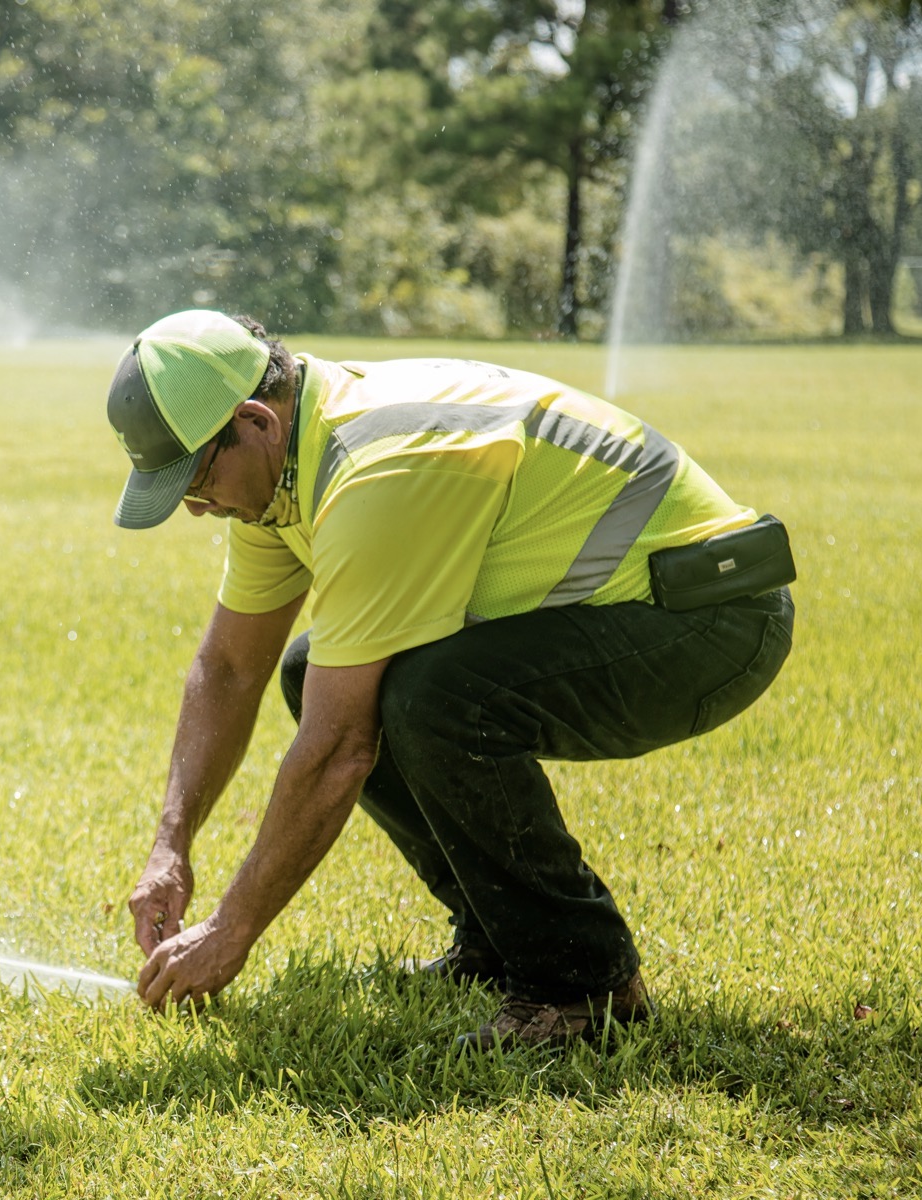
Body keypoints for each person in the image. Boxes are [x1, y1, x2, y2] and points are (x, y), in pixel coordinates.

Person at [106, 309, 794, 1048]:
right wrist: (170, 846)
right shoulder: (288, 473)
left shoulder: (379, 465)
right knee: (316, 673)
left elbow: (340, 747)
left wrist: (230, 931)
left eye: (199, 476)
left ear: (255, 422)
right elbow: (231, 667)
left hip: (712, 616)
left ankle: (581, 984)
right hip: (661, 606)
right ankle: (498, 943)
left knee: (436, 699)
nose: (196, 506)